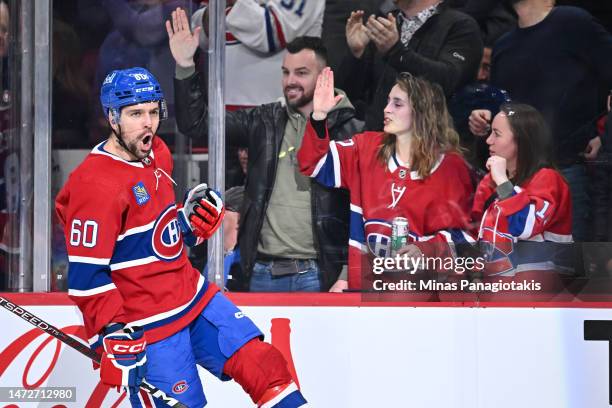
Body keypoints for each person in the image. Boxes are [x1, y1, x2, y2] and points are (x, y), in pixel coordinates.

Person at [55, 68, 306, 407]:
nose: (148, 123)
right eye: (135, 114)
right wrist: (112, 333)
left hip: (192, 294)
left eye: (153, 112)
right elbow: (86, 276)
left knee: (266, 367)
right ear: (111, 117)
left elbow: (148, 233)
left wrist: (185, 224)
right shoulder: (93, 186)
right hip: (148, 325)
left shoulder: (157, 152)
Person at [169, 7, 363, 292]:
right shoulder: (265, 120)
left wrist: (347, 272)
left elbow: (361, 208)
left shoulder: (350, 128)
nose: (290, 81)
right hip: (261, 272)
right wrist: (186, 66)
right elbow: (197, 125)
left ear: (324, 76)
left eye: (301, 73)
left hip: (319, 274)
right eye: (285, 72)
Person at [297, 69, 475, 291]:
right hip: (367, 292)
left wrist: (426, 249)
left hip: (423, 298)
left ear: (421, 112)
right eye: (388, 101)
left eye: (397, 104)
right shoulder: (367, 148)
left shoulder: (451, 168)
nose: (386, 109)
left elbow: (469, 237)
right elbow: (313, 164)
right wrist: (319, 117)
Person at [468, 0, 612, 241]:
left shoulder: (573, 22)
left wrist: (604, 130)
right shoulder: (503, 45)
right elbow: (506, 110)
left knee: (567, 270)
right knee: (513, 269)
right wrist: (484, 118)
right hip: (516, 176)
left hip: (568, 168)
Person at [471, 103, 573, 298]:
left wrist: (502, 180)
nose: (488, 140)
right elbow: (476, 234)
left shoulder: (549, 179)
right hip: (493, 296)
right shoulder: (490, 181)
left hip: (537, 303)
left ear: (521, 141)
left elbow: (524, 225)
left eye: (497, 134)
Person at [337, 0, 483, 130]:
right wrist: (357, 54)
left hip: (427, 146)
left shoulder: (461, 26)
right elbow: (349, 94)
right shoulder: (386, 21)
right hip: (376, 140)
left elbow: (448, 79)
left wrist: (395, 51)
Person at [192, 0, 325, 108]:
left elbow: (271, 34)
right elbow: (201, 33)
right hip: (223, 111)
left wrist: (226, 9)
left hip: (276, 113)